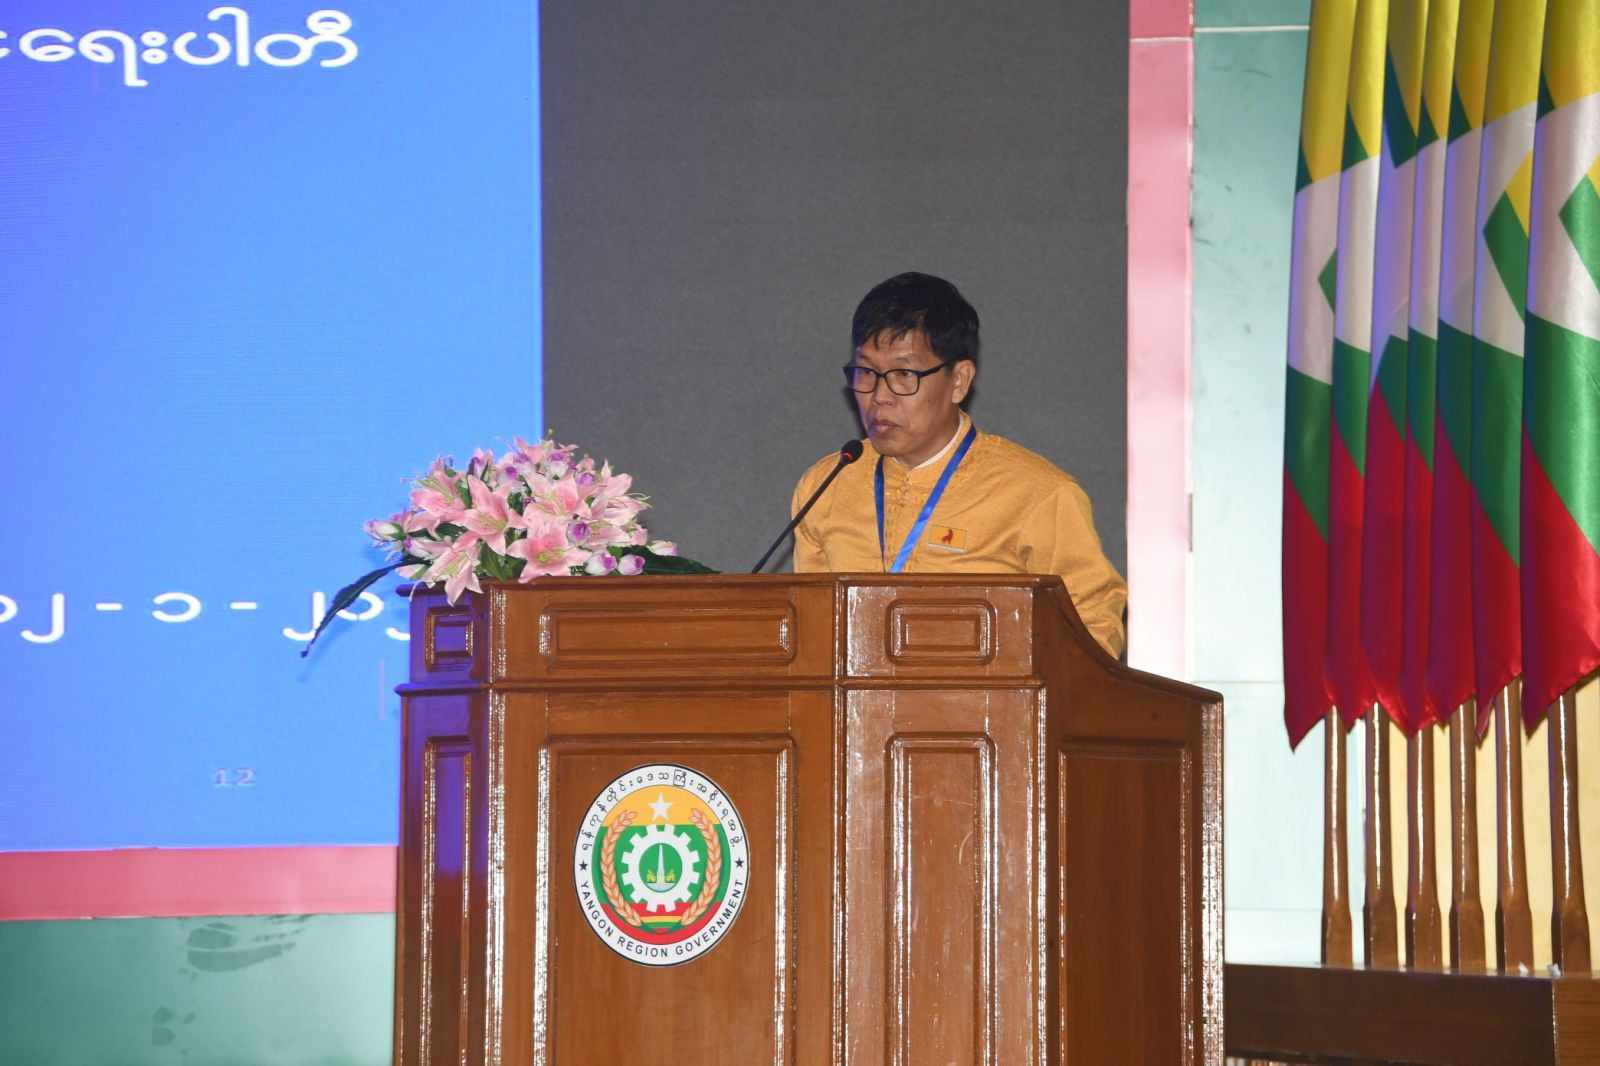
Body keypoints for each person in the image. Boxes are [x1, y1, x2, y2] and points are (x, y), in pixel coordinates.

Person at [791, 271, 1128, 657]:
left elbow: (1093, 627)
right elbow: (811, 636)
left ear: (959, 381)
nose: (880, 395)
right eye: (867, 372)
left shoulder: (1039, 494)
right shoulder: (826, 486)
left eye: (904, 374)